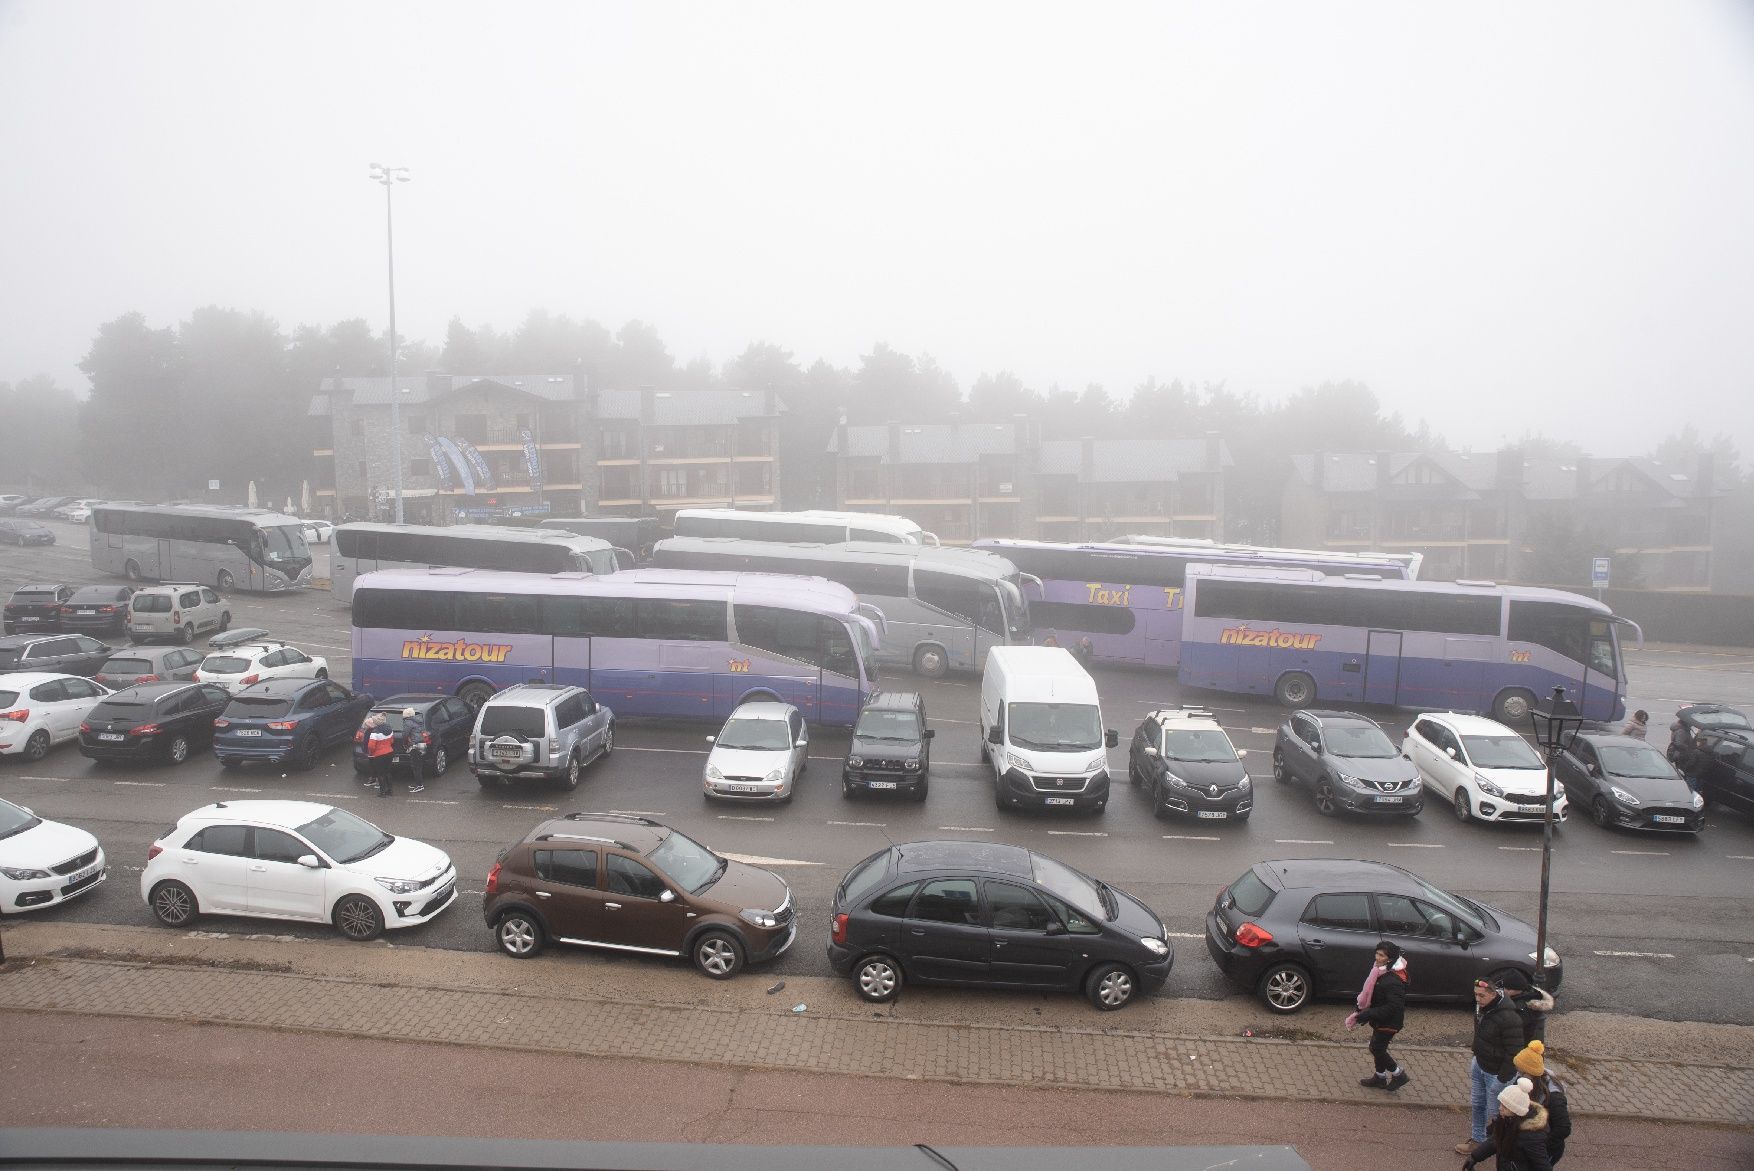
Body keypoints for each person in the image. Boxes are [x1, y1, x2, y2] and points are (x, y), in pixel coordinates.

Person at [1456, 977, 1527, 1156]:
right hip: (1480, 1064)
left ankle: (1503, 1146)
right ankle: (1477, 1140)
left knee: (1499, 1113)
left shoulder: (1509, 1018)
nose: (1477, 999)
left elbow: (1515, 1053)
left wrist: (1503, 1079)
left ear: (1494, 994)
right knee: (1478, 1104)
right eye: (1475, 995)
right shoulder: (1483, 1008)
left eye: (1481, 995)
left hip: (1497, 1074)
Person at [1347, 940, 1410, 1091]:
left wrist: (1368, 1014)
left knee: (1376, 1048)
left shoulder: (1392, 980)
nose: (1377, 957)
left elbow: (1394, 1006)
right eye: (1377, 953)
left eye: (1381, 955)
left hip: (1389, 1022)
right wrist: (1363, 1008)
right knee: (1377, 1046)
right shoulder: (1380, 971)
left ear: (1389, 958)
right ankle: (1380, 1077)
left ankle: (1398, 1074)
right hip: (1381, 1020)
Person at [1463, 1076, 1553, 1171]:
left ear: (1516, 1111)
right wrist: (1475, 1156)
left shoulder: (1531, 1137)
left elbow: (1543, 1166)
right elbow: (1496, 1139)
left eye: (1505, 1107)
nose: (1500, 1108)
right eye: (1501, 1104)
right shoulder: (1505, 1119)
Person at [1513, 1040, 1573, 1164]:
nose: (1517, 1074)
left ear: (1528, 1072)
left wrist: (1540, 1145)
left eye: (1520, 1071)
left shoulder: (1554, 1098)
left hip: (1544, 1150)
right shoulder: (1524, 1081)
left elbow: (1563, 1129)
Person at [1496, 969, 1555, 1045]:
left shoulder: (1522, 1008)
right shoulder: (1524, 997)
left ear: (1516, 989)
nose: (1504, 991)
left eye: (1507, 989)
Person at [365, 713, 395, 798]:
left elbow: (371, 746)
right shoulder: (390, 729)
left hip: (379, 755)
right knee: (387, 772)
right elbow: (392, 741)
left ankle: (382, 792)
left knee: (380, 774)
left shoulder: (374, 733)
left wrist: (371, 753)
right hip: (389, 752)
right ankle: (390, 790)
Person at [400, 706, 427, 794]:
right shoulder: (418, 720)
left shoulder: (408, 722)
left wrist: (404, 744)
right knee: (418, 765)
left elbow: (405, 734)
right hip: (421, 744)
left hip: (414, 745)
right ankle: (418, 783)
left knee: (415, 766)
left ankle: (419, 785)